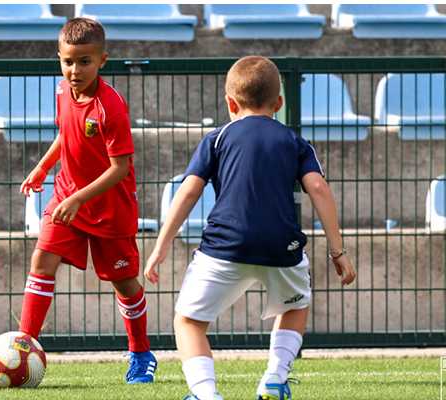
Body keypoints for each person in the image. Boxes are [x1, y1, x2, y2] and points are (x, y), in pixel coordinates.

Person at [144, 56, 356, 400]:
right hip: (281, 248)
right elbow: (319, 189)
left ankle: (205, 394)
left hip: (224, 247)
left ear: (230, 103)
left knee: (188, 321)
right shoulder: (294, 141)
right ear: (279, 103)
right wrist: (338, 252)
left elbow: (188, 191)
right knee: (295, 306)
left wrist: (160, 246)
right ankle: (274, 376)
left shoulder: (216, 139)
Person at [18, 17, 157, 384]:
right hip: (67, 197)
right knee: (42, 259)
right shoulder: (63, 92)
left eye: (84, 62)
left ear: (102, 61)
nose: (75, 70)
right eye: (68, 61)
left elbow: (119, 168)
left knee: (125, 283)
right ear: (59, 59)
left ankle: (141, 354)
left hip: (110, 209)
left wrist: (80, 198)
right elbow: (67, 136)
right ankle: (24, 345)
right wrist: (42, 167)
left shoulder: (110, 107)